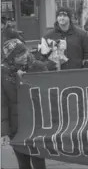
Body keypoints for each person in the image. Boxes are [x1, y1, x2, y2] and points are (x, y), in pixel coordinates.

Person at [2, 39, 47, 169]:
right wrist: (4, 131)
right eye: (18, 55)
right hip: (16, 125)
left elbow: (46, 93)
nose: (23, 56)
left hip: (36, 123)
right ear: (11, 58)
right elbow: (2, 103)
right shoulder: (3, 73)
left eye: (24, 52)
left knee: (39, 161)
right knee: (23, 162)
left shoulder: (38, 66)